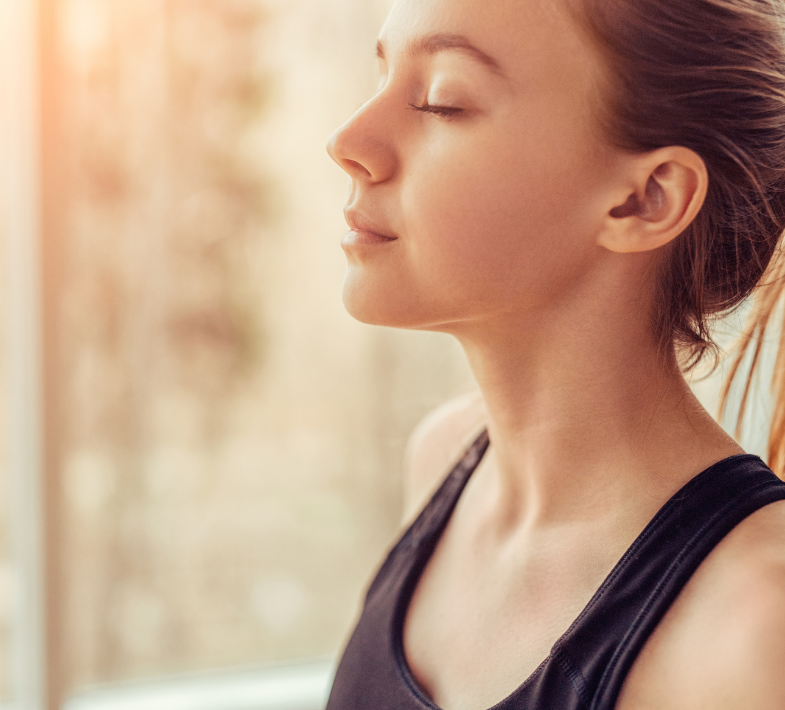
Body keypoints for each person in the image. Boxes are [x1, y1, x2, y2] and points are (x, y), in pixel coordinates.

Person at [323, 0, 785, 707]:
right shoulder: (444, 459)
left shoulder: (757, 624)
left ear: (645, 198)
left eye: (441, 100)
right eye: (382, 75)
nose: (349, 140)